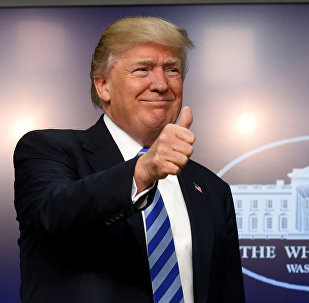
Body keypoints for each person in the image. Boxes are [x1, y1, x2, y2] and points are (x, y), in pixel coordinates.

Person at [14, 16, 245, 303]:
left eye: (172, 70)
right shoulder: (48, 150)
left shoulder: (211, 189)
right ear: (103, 87)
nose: (161, 84)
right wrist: (142, 172)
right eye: (143, 69)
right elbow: (53, 213)